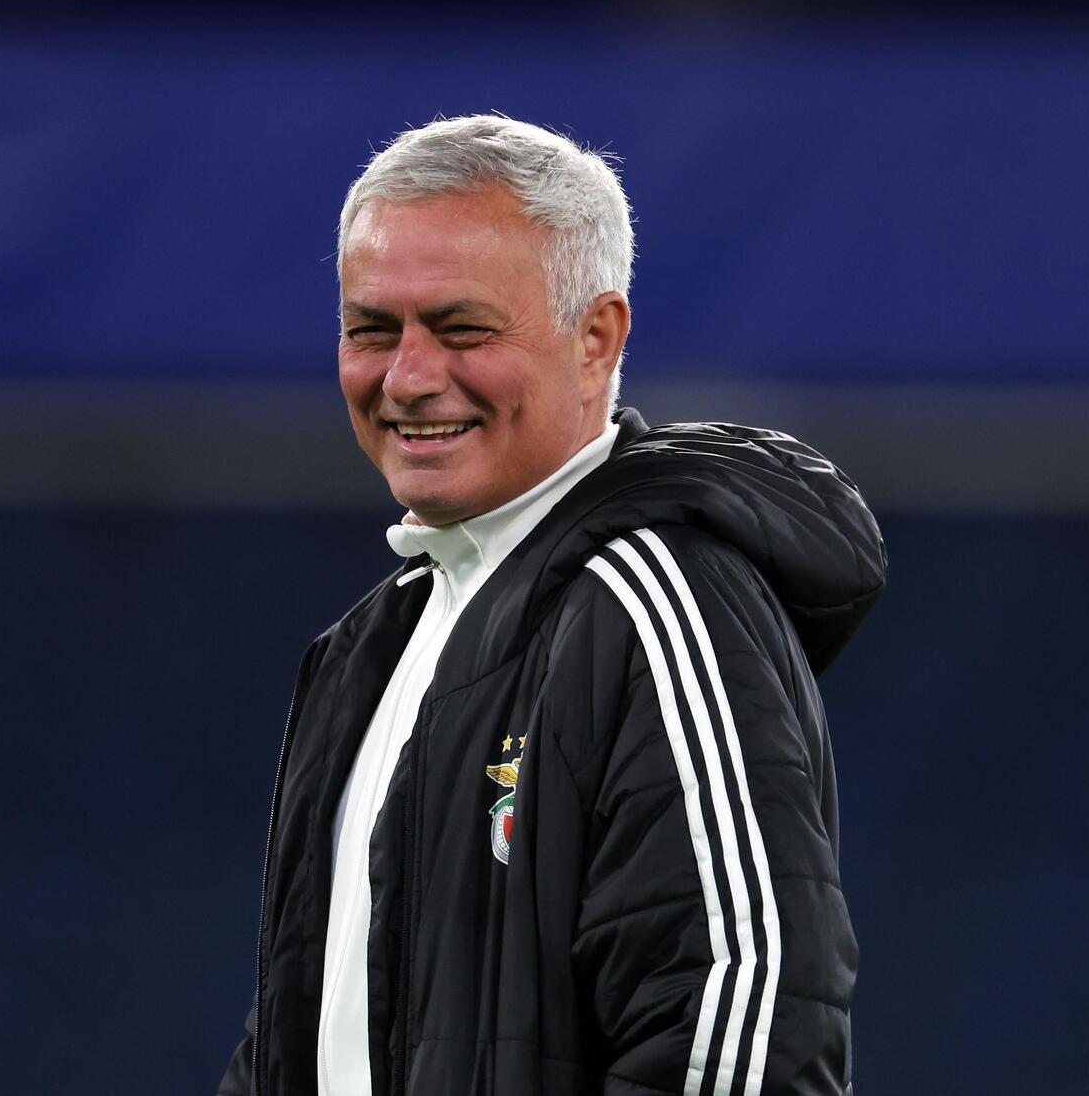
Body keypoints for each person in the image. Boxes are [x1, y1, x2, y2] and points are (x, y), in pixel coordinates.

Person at [218, 114, 885, 1096]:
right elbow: (301, 1040)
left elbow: (736, 1029)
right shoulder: (366, 650)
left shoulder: (658, 601)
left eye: (462, 329)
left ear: (596, 339)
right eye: (371, 330)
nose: (407, 377)